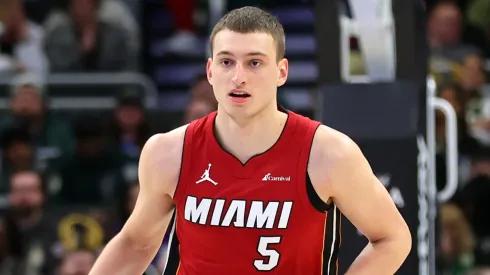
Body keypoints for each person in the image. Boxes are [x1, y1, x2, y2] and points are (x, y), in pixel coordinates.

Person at [89, 6, 411, 275]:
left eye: (254, 62)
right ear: (210, 71)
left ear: (282, 72)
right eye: (226, 62)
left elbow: (392, 238)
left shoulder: (327, 153)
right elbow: (137, 243)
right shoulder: (168, 151)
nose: (238, 77)